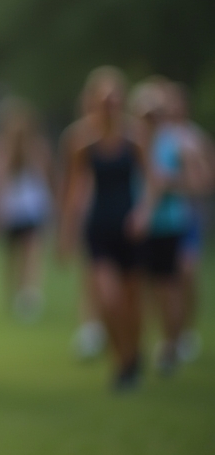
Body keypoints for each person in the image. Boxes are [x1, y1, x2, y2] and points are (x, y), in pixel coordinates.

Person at [60, 67, 146, 390]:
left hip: (130, 228)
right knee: (109, 300)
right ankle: (121, 361)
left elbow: (151, 180)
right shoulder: (81, 140)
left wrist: (144, 213)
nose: (109, 106)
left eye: (114, 99)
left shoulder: (134, 137)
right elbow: (74, 189)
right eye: (103, 100)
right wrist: (66, 233)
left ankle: (134, 354)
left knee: (132, 302)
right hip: (99, 228)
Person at [129, 78, 210, 375]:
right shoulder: (130, 142)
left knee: (171, 285)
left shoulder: (178, 142)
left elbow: (199, 183)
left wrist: (169, 182)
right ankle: (151, 343)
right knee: (144, 289)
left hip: (170, 223)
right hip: (137, 226)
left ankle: (172, 344)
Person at [0, 97, 53, 321]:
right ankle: (14, 293)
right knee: (12, 255)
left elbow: (45, 176)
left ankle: (30, 294)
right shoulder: (0, 149)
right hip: (11, 209)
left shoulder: (37, 147)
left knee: (32, 250)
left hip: (32, 208)